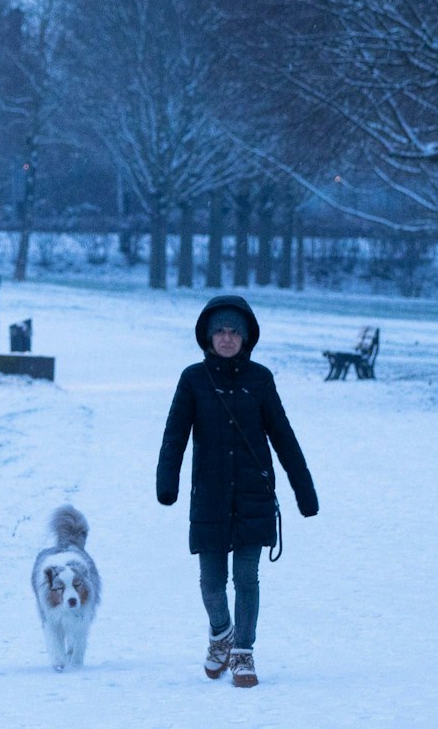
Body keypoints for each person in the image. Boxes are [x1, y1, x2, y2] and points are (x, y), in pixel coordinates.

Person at [155, 293, 317, 688]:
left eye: (234, 332)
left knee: (246, 577)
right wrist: (166, 481)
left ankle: (243, 652)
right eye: (220, 332)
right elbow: (175, 435)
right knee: (211, 581)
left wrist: (304, 490)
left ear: (246, 338)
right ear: (208, 337)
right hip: (209, 495)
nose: (227, 338)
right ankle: (221, 634)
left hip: (253, 493)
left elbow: (283, 436)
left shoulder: (260, 379)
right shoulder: (193, 379)